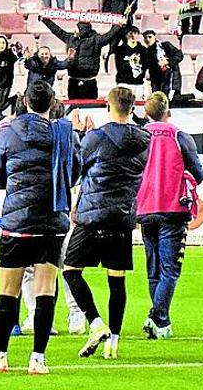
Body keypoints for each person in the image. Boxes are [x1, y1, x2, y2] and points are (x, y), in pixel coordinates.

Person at [0, 81, 80, 374]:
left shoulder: (8, 132)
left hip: (17, 222)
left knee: (8, 290)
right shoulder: (65, 133)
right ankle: (38, 358)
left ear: (24, 101)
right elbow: (74, 172)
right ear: (52, 103)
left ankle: (0, 355)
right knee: (46, 289)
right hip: (52, 221)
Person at [63, 87, 151, 360]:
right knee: (117, 280)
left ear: (107, 106)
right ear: (133, 107)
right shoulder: (144, 140)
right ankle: (113, 340)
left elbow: (76, 168)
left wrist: (79, 136)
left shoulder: (97, 137)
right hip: (122, 216)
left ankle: (95, 322)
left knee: (70, 270)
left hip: (92, 214)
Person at [136, 92, 203, 340]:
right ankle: (157, 316)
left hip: (145, 208)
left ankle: (161, 323)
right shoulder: (179, 136)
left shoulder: (139, 136)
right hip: (173, 208)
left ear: (146, 113)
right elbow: (198, 172)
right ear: (168, 110)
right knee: (170, 270)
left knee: (153, 269)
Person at [42, 17, 122, 101]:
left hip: (77, 82)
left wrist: (45, 20)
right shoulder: (96, 39)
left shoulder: (73, 38)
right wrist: (119, 25)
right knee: (90, 107)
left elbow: (57, 31)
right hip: (88, 82)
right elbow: (110, 35)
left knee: (74, 107)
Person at [142, 30, 184, 98]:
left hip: (171, 78)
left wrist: (168, 61)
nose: (147, 39)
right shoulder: (146, 52)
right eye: (145, 38)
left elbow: (179, 55)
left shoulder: (165, 45)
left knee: (171, 101)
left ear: (155, 37)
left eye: (150, 37)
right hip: (157, 81)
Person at [109, 27, 148, 100]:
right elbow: (120, 67)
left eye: (135, 33)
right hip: (124, 83)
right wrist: (132, 63)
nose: (133, 35)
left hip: (138, 83)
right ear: (126, 35)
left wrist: (138, 66)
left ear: (138, 35)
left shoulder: (143, 50)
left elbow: (145, 66)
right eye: (130, 33)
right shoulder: (120, 50)